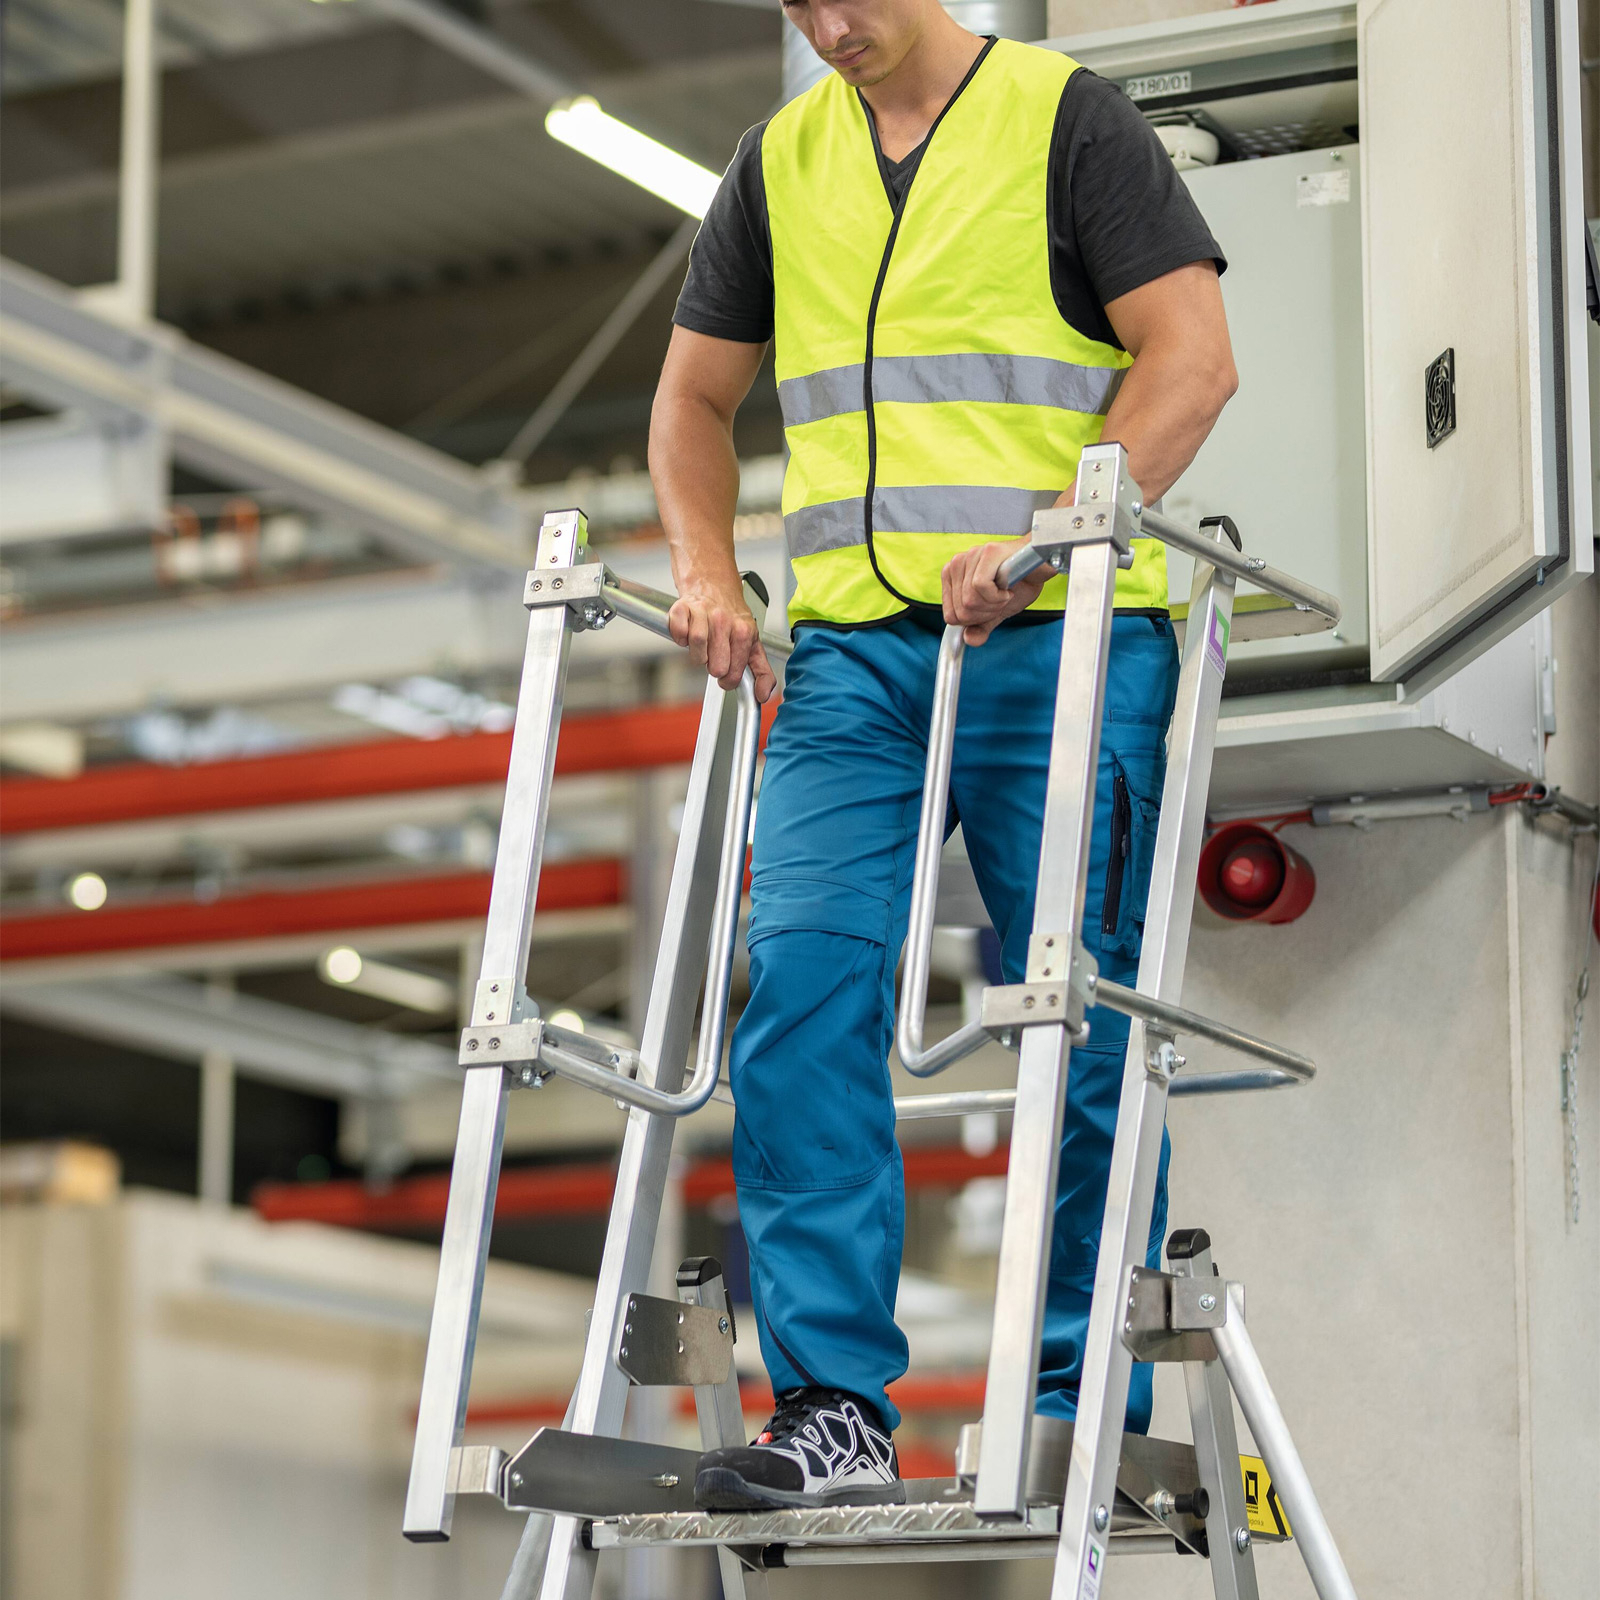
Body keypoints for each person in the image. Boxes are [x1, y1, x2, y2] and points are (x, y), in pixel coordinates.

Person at [648, 0, 1235, 1511]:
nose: (829, 26)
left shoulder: (1065, 117)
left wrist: (1042, 547)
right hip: (852, 658)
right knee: (800, 985)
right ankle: (835, 1405)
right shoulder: (776, 164)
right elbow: (694, 401)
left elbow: (1190, 359)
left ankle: (1067, 1394)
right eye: (795, 5)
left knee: (1070, 1010)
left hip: (1060, 638)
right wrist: (708, 566)